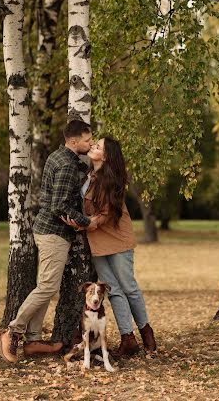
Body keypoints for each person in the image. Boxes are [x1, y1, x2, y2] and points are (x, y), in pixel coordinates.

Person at [0, 119, 98, 363]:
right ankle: (13, 330)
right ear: (74, 141)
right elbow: (59, 206)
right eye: (87, 140)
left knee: (44, 285)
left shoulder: (63, 157)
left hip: (49, 232)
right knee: (47, 287)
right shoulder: (65, 164)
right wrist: (87, 222)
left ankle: (32, 341)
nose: (91, 143)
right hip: (54, 234)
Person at [63, 136, 157, 357]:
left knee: (129, 287)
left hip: (117, 239)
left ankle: (147, 334)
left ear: (106, 156)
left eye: (98, 146)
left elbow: (104, 215)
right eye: (94, 143)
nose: (93, 145)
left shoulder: (112, 180)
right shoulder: (88, 175)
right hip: (96, 240)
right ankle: (128, 339)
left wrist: (81, 224)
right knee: (112, 289)